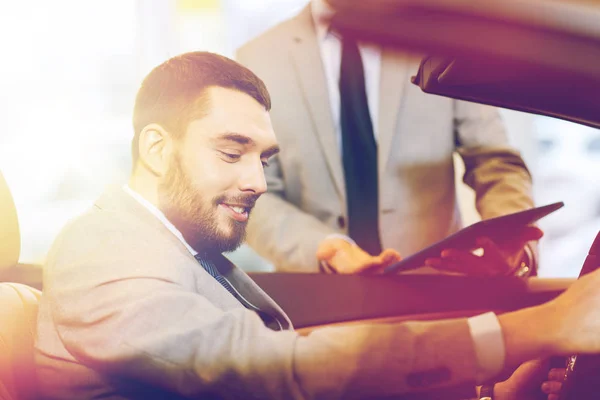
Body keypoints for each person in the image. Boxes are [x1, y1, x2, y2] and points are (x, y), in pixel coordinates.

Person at [34, 51, 600, 400]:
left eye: (264, 158)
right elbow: (279, 368)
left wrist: (488, 390)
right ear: (158, 150)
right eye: (232, 153)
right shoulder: (104, 256)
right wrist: (537, 330)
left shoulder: (179, 246)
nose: (258, 181)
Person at [236, 0, 539, 275]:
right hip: (318, 294)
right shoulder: (257, 58)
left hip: (435, 289)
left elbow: (494, 161)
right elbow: (255, 195)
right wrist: (328, 247)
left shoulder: (446, 40)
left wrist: (510, 238)